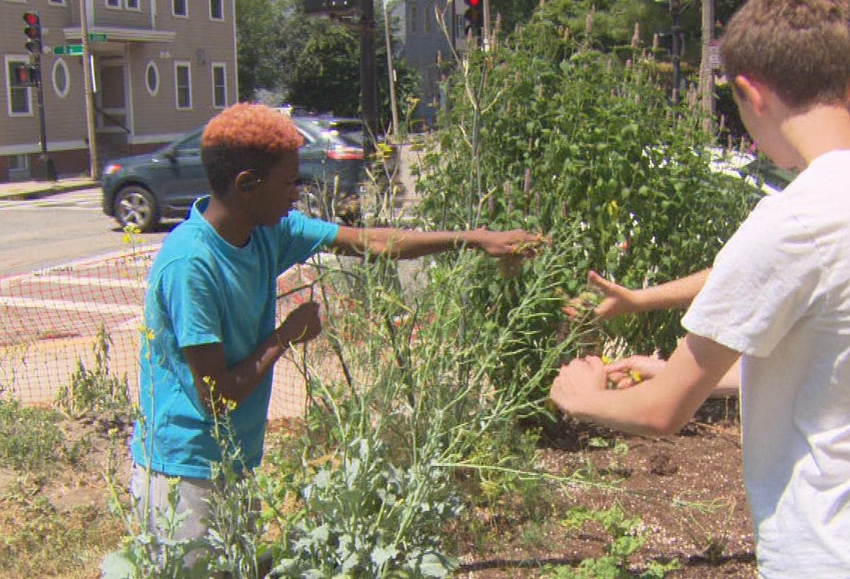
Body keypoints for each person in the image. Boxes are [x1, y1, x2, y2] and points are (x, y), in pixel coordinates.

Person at [550, 0, 850, 579]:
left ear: (749, 93)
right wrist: (682, 354)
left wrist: (580, 397)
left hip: (836, 554)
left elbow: (664, 413)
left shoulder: (794, 219)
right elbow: (838, 349)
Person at [129, 102, 542, 555]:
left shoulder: (265, 232)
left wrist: (475, 239)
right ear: (247, 184)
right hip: (183, 471)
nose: (296, 194)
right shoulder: (192, 265)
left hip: (230, 459)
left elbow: (373, 242)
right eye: (289, 182)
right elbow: (216, 398)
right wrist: (284, 337)